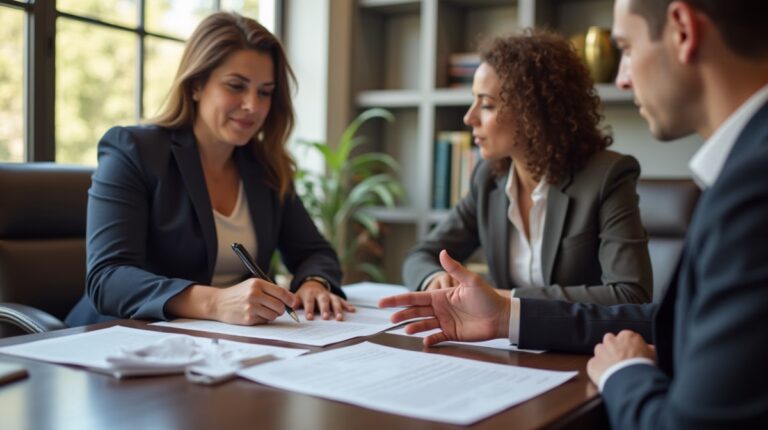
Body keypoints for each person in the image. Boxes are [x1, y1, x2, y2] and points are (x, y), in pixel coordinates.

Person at [381, 0, 768, 428]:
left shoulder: (742, 186)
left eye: (625, 47)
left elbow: (633, 302)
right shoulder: (488, 180)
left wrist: (508, 301)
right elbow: (672, 321)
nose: (621, 78)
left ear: (682, 30)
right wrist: (479, 302)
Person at [66, 12, 354, 327]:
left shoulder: (264, 166)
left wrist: (314, 282)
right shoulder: (133, 150)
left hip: (219, 347)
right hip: (119, 342)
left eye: (265, 92)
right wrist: (215, 302)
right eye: (236, 86)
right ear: (196, 86)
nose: (253, 106)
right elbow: (108, 279)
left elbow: (314, 251)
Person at [403, 30, 652, 305]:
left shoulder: (607, 176)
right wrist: (435, 277)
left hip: (584, 346)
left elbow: (630, 295)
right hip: (504, 345)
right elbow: (421, 256)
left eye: (486, 104)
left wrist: (506, 301)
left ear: (532, 112)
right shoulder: (487, 179)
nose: (469, 117)